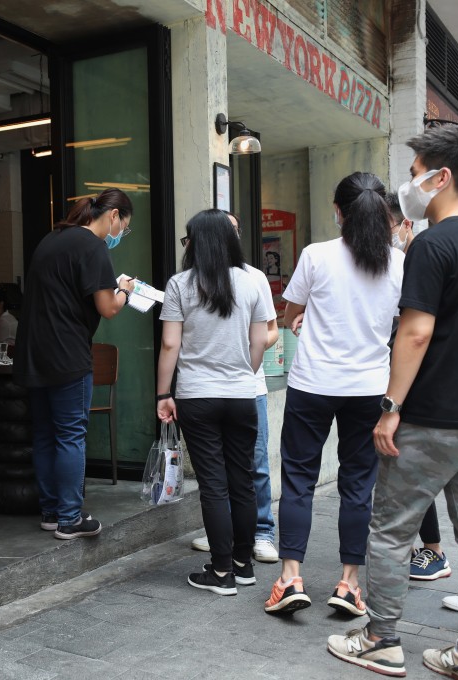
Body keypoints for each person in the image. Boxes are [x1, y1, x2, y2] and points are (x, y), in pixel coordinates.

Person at [327, 125, 458, 678]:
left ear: (442, 178)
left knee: (392, 530)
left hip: (432, 418)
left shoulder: (433, 245)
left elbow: (415, 334)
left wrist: (390, 406)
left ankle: (381, 638)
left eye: (416, 171)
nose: (409, 182)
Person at [264, 172, 404, 617]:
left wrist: (302, 322)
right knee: (358, 486)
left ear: (338, 211)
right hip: (369, 388)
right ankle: (348, 585)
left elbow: (291, 314)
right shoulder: (398, 262)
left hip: (313, 385)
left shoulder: (316, 255)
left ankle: (289, 579)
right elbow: (404, 325)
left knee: (299, 480)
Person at [157, 209, 269, 596]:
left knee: (214, 486)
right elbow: (260, 343)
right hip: (242, 394)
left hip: (197, 396)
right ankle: (243, 564)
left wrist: (162, 393)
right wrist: (241, 373)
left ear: (196, 242)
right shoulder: (252, 281)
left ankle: (221, 573)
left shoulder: (179, 285)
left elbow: (171, 344)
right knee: (243, 481)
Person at [13, 188, 136, 540]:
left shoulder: (52, 240)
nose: (119, 236)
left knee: (45, 434)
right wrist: (125, 290)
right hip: (67, 352)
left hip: (35, 352)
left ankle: (51, 512)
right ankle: (69, 519)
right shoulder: (93, 246)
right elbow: (108, 308)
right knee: (70, 435)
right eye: (123, 228)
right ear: (113, 216)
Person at [190, 211, 280, 565]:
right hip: (209, 389)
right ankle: (223, 534)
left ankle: (262, 532)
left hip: (249, 386)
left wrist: (249, 350)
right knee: (216, 468)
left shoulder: (253, 277)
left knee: (254, 464)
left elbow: (272, 330)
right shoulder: (191, 280)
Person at [384, 193, 451, 582]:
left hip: (418, 387)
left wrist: (393, 404)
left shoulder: (421, 258)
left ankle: (435, 552)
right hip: (411, 384)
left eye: (389, 229)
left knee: (415, 472)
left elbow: (415, 334)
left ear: (405, 226)